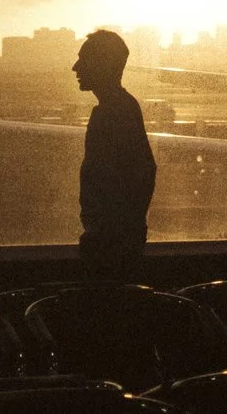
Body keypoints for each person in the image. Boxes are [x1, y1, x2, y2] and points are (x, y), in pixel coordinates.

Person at [72, 29, 155, 276]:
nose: (75, 67)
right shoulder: (124, 107)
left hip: (109, 243)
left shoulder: (110, 114)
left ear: (100, 65)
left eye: (83, 60)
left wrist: (103, 230)